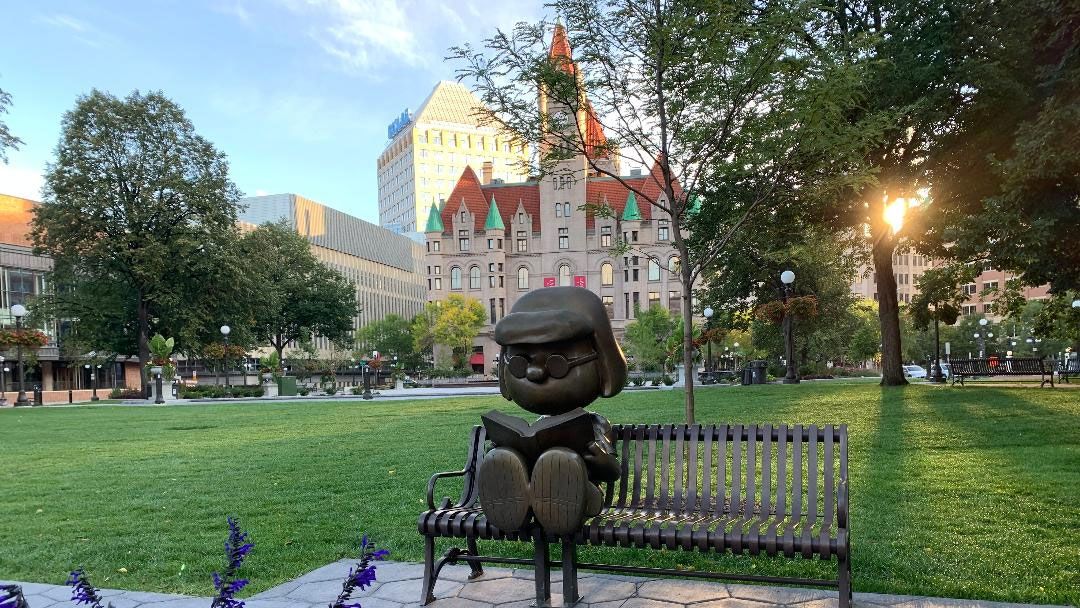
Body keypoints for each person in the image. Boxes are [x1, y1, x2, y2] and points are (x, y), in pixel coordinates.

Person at [477, 286, 627, 536]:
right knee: (506, 456)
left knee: (560, 460)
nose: (536, 373)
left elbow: (612, 471)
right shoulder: (540, 425)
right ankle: (515, 498)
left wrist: (600, 460)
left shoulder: (595, 423)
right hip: (533, 494)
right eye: (519, 364)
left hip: (583, 494)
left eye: (557, 364)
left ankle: (556, 492)